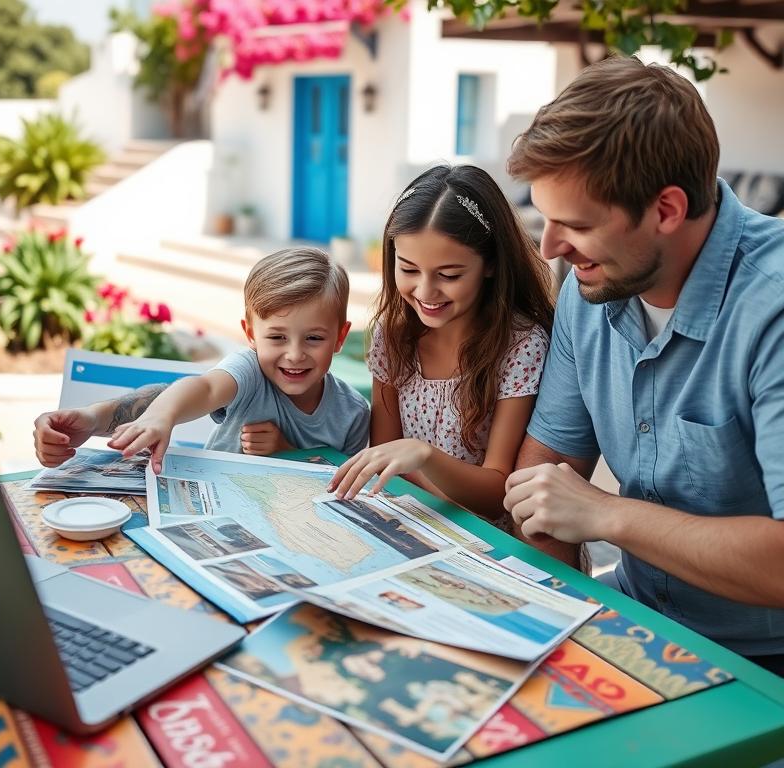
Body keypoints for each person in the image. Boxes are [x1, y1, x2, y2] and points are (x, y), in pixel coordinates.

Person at [500, 55, 784, 673]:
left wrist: (606, 514)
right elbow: (544, 481)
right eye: (544, 216)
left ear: (667, 210)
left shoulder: (773, 308)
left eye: (575, 224)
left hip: (765, 664)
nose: (549, 246)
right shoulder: (589, 283)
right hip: (630, 623)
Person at [328, 165, 554, 523]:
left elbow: (498, 494)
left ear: (491, 264)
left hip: (487, 539)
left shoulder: (521, 346)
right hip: (411, 520)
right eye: (409, 269)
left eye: (449, 275)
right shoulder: (394, 337)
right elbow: (387, 460)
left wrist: (424, 456)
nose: (426, 292)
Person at [34, 247, 370, 473]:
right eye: (277, 337)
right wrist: (150, 416)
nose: (295, 354)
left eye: (314, 338)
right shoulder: (250, 370)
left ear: (340, 337)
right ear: (251, 334)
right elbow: (205, 388)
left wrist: (287, 450)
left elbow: (341, 490)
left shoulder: (354, 412)